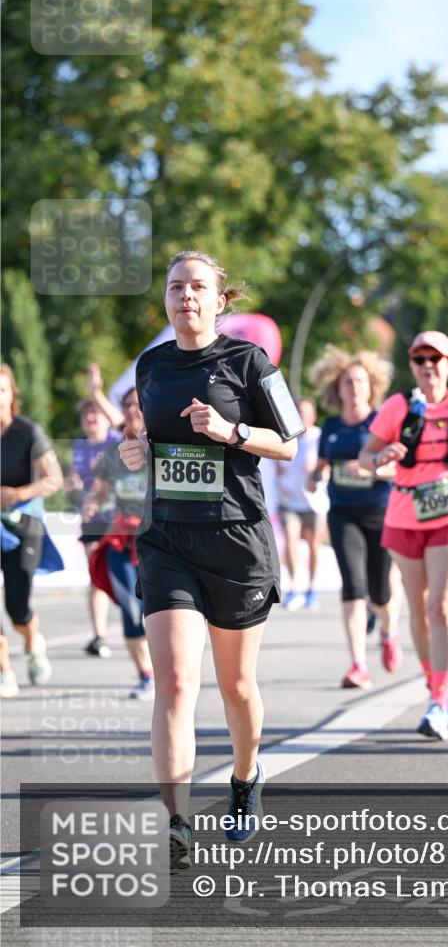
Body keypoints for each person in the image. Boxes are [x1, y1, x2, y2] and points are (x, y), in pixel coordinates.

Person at [119, 250, 298, 868]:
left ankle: (246, 778)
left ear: (221, 300)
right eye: (175, 287)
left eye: (197, 287)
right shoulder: (151, 366)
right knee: (173, 682)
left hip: (236, 543)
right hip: (168, 538)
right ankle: (177, 822)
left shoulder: (250, 362)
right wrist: (137, 453)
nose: (185, 296)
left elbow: (290, 444)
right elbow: (148, 441)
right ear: (166, 299)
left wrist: (231, 432)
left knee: (237, 686)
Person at [359, 331, 448, 740]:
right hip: (404, 516)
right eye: (420, 359)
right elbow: (366, 457)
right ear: (412, 364)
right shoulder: (397, 406)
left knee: (442, 605)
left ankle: (438, 703)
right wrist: (381, 457)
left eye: (436, 358)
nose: (428, 366)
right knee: (418, 611)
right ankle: (435, 682)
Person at [308, 346, 402, 689]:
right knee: (353, 586)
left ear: (371, 386)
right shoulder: (331, 427)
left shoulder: (381, 422)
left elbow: (397, 468)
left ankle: (389, 631)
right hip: (342, 512)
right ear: (339, 387)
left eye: (360, 381)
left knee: (380, 593)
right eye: (348, 381)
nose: (355, 387)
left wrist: (371, 469)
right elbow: (320, 467)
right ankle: (358, 664)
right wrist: (314, 477)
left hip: (379, 511)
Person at [82, 387, 154, 699]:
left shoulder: (162, 446)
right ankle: (146, 675)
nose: (132, 410)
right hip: (122, 540)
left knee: (159, 612)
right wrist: (92, 504)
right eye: (127, 405)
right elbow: (98, 490)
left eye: (138, 405)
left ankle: (169, 671)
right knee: (130, 608)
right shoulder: (114, 453)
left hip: (159, 540)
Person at [1, 363, 62, 694]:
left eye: (1, 390)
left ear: (12, 395)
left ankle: (31, 640)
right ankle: (4, 671)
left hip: (23, 523)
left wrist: (17, 494)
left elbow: (54, 479)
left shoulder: (27, 431)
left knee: (17, 607)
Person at [66, 397, 122, 658]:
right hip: (92, 517)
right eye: (86, 415)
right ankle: (99, 635)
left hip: (121, 515)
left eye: (95, 414)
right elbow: (78, 483)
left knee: (127, 573)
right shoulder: (78, 445)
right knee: (96, 575)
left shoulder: (116, 439)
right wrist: (74, 485)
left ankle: (141, 626)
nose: (90, 419)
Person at [276, 398, 327, 611]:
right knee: (290, 539)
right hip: (289, 501)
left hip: (314, 503)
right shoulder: (286, 436)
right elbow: (275, 465)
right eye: (298, 411)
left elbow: (327, 465)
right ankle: (294, 587)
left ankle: (311, 588)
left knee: (314, 545)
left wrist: (317, 476)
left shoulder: (319, 437)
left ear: (313, 416)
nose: (302, 415)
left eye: (306, 412)